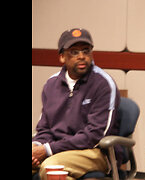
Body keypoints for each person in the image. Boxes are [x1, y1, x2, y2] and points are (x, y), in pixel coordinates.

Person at [32, 28, 121, 180]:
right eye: (74, 52)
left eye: (86, 51)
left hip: (94, 152)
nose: (81, 56)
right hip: (58, 149)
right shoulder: (51, 85)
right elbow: (44, 128)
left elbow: (94, 136)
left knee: (51, 169)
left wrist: (47, 150)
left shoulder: (104, 84)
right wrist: (36, 146)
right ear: (61, 57)